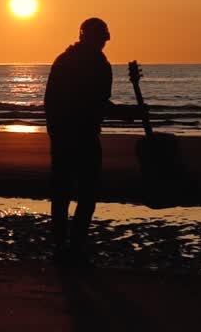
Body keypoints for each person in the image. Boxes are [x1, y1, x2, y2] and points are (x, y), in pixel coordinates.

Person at [43, 17, 142, 264]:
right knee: (84, 193)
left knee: (65, 193)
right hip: (80, 137)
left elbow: (53, 104)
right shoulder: (93, 65)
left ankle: (65, 246)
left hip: (67, 137)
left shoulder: (65, 61)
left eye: (103, 39)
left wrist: (55, 133)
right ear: (90, 38)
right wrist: (128, 114)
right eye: (100, 38)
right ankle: (71, 246)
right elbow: (96, 104)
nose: (102, 43)